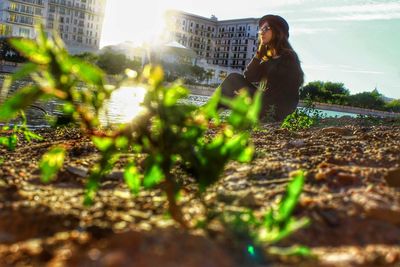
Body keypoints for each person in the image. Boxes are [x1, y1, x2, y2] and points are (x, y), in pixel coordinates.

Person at [219, 14, 304, 121]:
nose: (262, 32)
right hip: (266, 104)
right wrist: (259, 52)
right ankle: (205, 115)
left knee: (233, 80)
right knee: (234, 79)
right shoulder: (268, 58)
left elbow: (289, 91)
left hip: (277, 109)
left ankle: (204, 115)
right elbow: (249, 76)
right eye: (261, 29)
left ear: (278, 32)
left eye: (266, 28)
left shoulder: (289, 57)